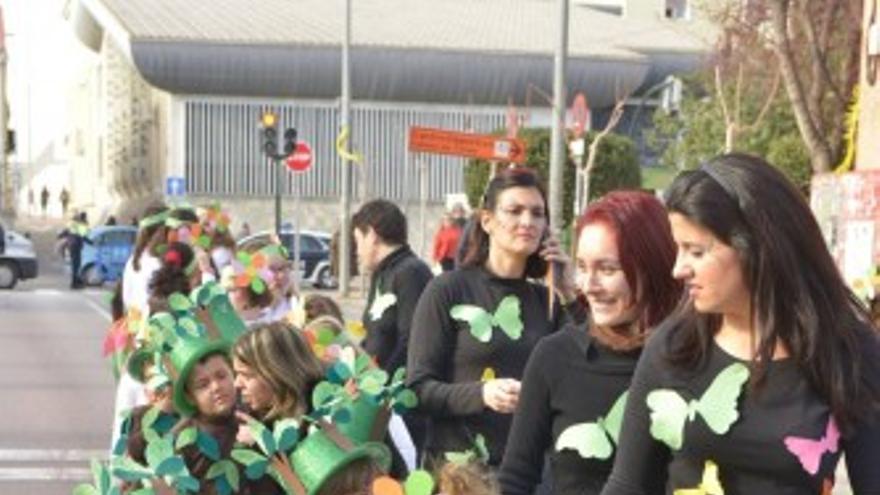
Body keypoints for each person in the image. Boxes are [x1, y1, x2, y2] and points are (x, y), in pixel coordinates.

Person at [600, 153, 880, 494]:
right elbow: (628, 485)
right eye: (678, 249)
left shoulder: (849, 350)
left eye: (696, 251)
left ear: (757, 248)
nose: (678, 269)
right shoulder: (674, 346)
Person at [499, 191, 682, 495]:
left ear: (655, 266)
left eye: (608, 269)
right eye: (582, 267)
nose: (588, 286)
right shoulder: (555, 356)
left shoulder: (692, 357)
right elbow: (516, 477)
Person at [406, 167, 579, 467]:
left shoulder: (547, 300)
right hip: (459, 475)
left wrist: (570, 291)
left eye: (538, 214)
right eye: (514, 211)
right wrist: (482, 393)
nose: (528, 222)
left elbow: (588, 365)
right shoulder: (448, 289)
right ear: (487, 221)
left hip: (528, 473)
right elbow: (417, 390)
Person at [352, 199, 433, 375]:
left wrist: (383, 385)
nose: (357, 251)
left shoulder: (411, 273)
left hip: (399, 392)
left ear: (372, 236)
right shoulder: (382, 273)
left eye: (358, 241)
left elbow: (411, 341)